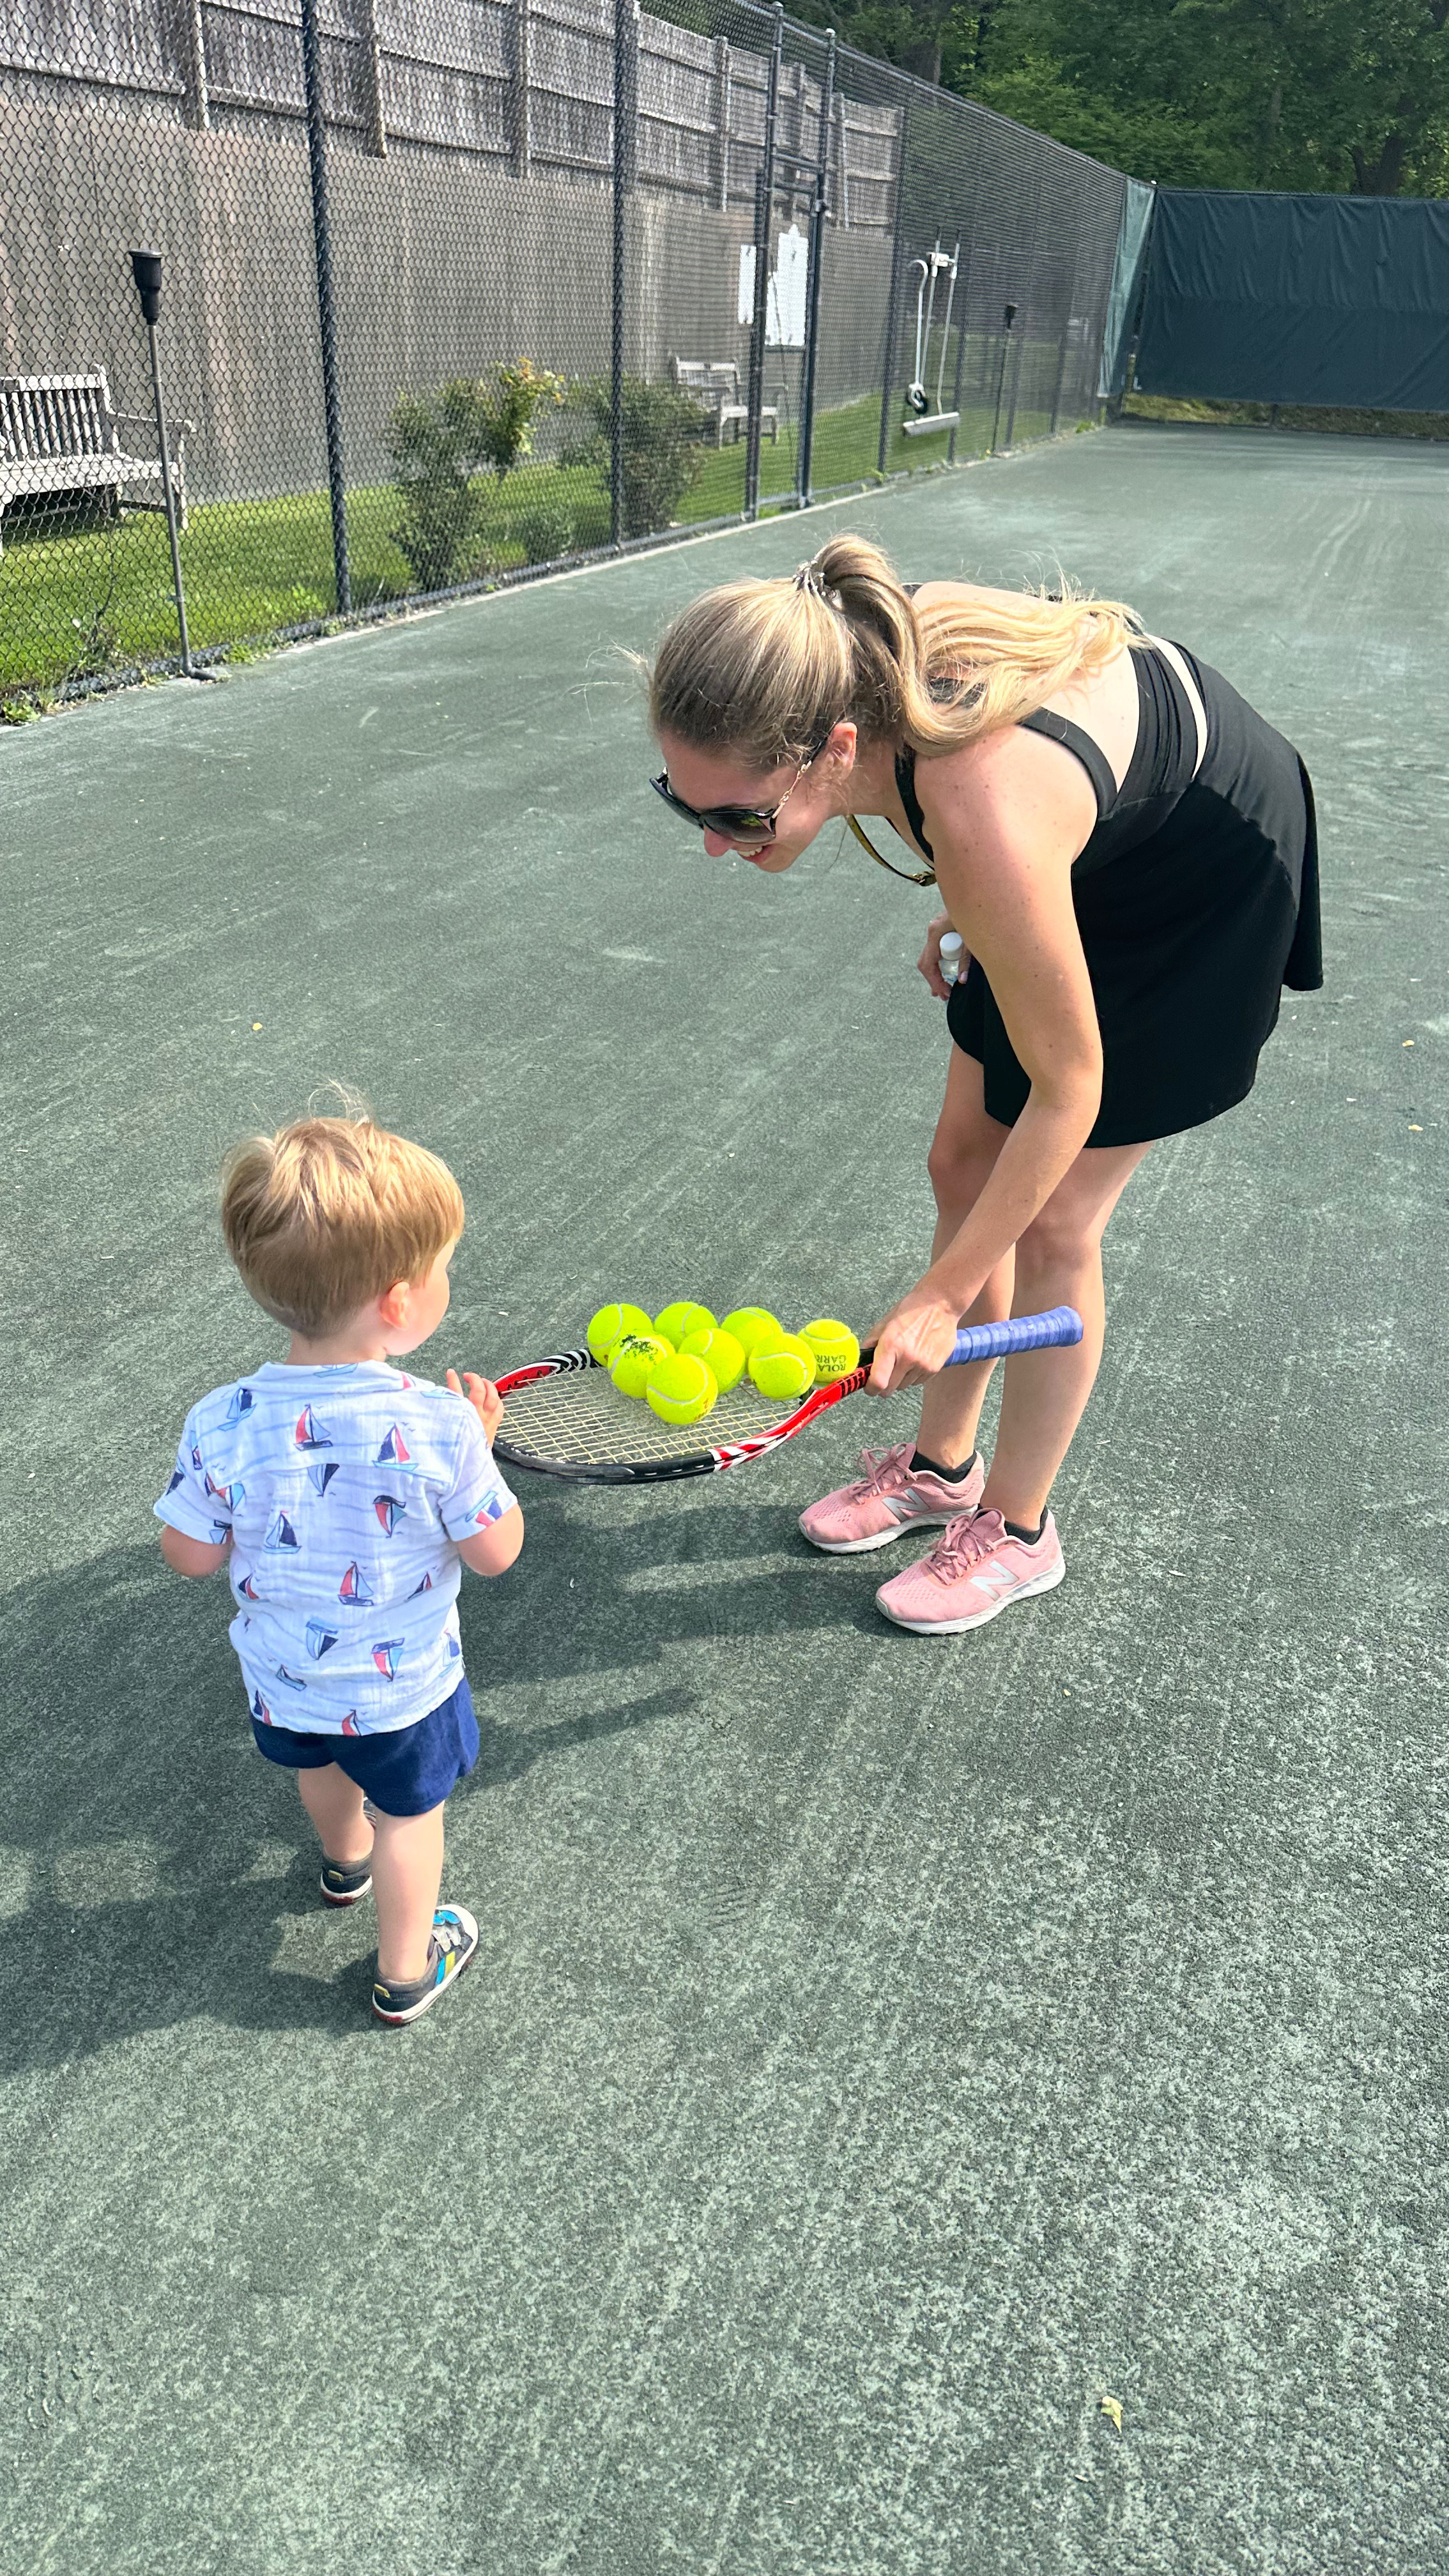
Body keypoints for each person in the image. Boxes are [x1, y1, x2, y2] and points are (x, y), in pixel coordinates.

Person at [647, 533, 1321, 1637]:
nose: (717, 845)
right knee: (960, 1163)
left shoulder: (978, 808)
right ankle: (941, 1468)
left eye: (741, 816)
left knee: (1057, 1222)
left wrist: (938, 1299)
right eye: (689, 808)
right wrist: (985, 906)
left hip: (1206, 872)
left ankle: (1017, 1531)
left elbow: (1072, 1092)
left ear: (837, 748)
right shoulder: (837, 654)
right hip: (1077, 834)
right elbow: (1026, 797)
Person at [153, 1111, 524, 2024]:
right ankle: (405, 1969)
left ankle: (342, 1862)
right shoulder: (440, 1426)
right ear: (400, 1302)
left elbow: (188, 1556)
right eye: (443, 1269)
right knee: (413, 1817)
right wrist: (479, 1449)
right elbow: (497, 1552)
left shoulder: (219, 1419)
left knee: (318, 1768)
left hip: (283, 1678)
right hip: (404, 1691)